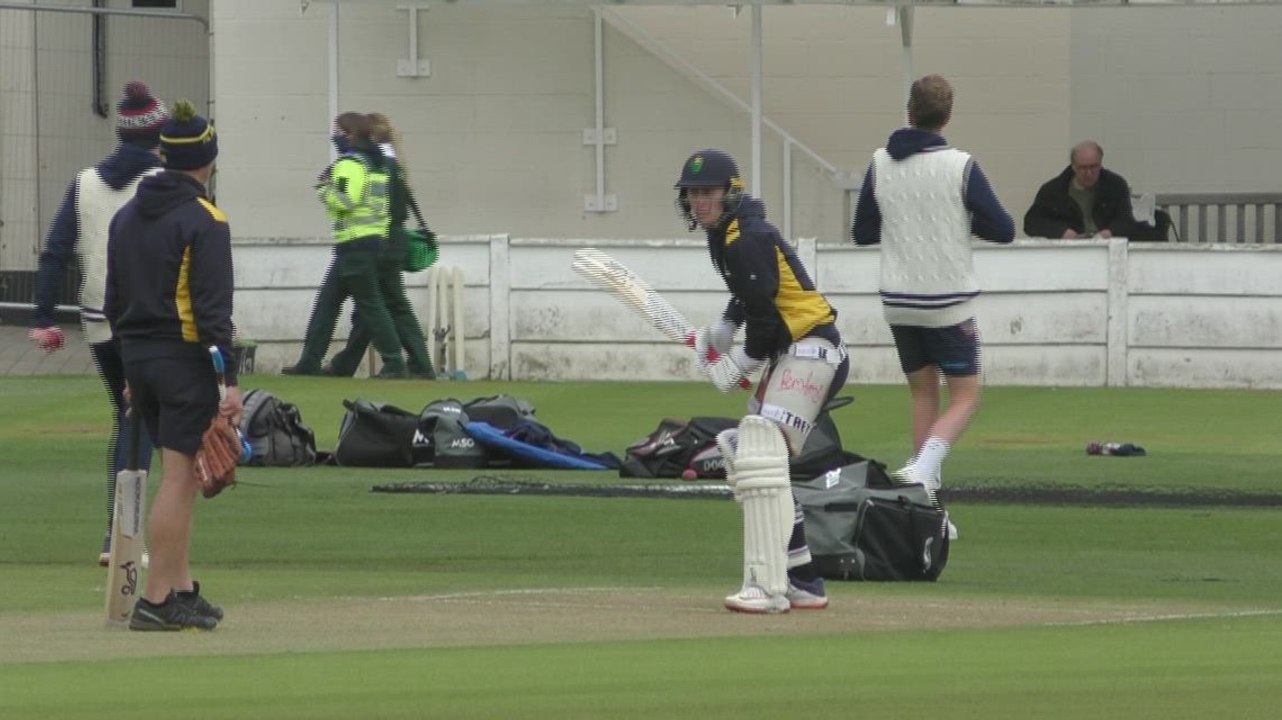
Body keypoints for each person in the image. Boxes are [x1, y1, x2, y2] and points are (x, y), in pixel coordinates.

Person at [677, 149, 850, 614]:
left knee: (758, 450)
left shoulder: (746, 236)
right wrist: (724, 327)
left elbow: (769, 320)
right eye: (692, 194)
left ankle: (766, 585)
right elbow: (751, 296)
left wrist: (739, 362)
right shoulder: (726, 234)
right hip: (791, 351)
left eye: (708, 193)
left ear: (730, 191)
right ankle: (802, 578)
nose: (699, 202)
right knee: (747, 452)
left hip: (811, 347)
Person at [851, 74, 1014, 539]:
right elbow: (1003, 228)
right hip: (948, 302)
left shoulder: (880, 162)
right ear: (947, 117)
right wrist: (955, 224)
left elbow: (863, 231)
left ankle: (925, 511)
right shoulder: (960, 165)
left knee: (923, 394)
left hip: (899, 303)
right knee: (966, 397)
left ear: (909, 112)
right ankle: (923, 472)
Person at [104, 98, 236, 631]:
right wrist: (230, 381)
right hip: (183, 360)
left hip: (138, 355)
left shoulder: (126, 214)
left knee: (175, 472)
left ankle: (180, 587)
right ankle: (156, 598)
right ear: (209, 160)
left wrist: (132, 374)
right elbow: (213, 311)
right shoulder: (205, 218)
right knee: (181, 477)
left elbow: (113, 300)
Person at [29, 81, 168, 566]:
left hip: (98, 320)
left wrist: (45, 315)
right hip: (147, 318)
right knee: (142, 421)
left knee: (126, 418)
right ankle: (124, 537)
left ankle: (118, 535)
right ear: (157, 132)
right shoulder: (164, 180)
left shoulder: (85, 181)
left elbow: (56, 251)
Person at [282, 112, 408, 378]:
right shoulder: (377, 163)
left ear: (349, 134)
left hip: (355, 244)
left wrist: (324, 189)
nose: (334, 136)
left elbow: (346, 201)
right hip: (367, 243)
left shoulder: (350, 163)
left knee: (369, 305)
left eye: (338, 131)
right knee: (328, 302)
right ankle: (310, 360)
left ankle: (395, 362)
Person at [323, 113, 436, 379]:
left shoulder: (378, 164)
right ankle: (351, 363)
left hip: (379, 240)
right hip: (392, 239)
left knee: (381, 305)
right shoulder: (393, 162)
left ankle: (412, 363)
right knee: (379, 305)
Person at [1023, 140, 1136, 239]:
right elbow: (1031, 223)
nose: (1089, 173)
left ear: (1101, 163)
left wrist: (1110, 232)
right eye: (1083, 168)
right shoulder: (1053, 190)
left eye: (1093, 167)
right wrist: (1061, 232)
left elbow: (1126, 221)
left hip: (1107, 248)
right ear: (1073, 166)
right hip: (1069, 251)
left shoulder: (1115, 185)